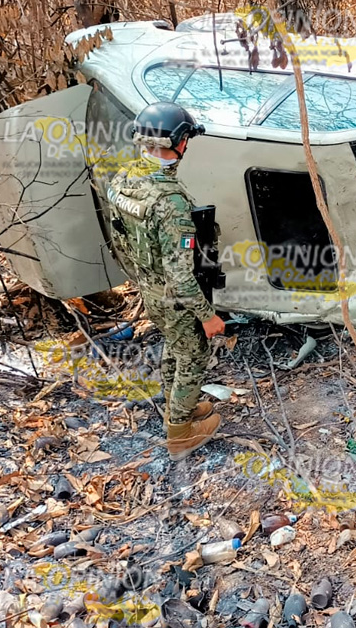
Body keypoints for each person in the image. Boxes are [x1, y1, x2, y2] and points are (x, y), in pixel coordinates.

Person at [106, 102, 226, 461]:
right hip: (174, 294)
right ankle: (180, 435)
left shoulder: (125, 178)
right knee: (194, 355)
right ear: (178, 142)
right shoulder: (169, 202)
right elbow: (180, 273)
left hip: (149, 286)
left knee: (175, 347)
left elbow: (120, 239)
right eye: (186, 138)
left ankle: (180, 411)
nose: (188, 144)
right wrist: (208, 317)